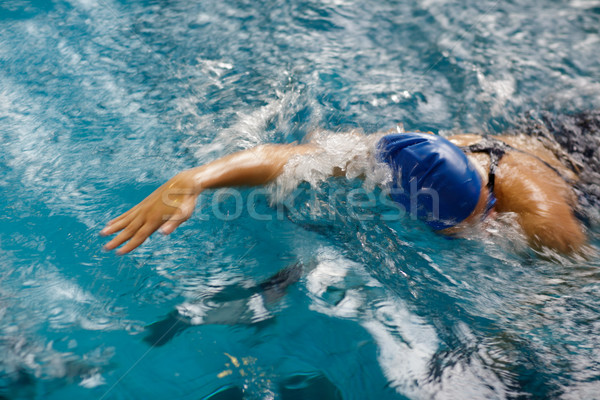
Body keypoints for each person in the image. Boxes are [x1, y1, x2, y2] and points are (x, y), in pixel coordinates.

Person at [100, 129, 586, 255]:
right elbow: (283, 157)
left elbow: (572, 286)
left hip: (585, 169)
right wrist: (191, 179)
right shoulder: (399, 155)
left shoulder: (546, 222)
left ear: (489, 199)